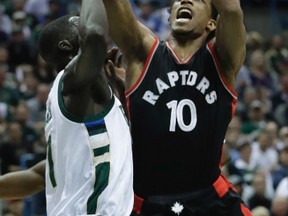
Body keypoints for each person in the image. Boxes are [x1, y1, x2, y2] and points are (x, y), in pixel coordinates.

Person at [101, 0, 250, 215]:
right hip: (148, 201)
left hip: (209, 198)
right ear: (170, 17)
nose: (185, 1)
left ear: (211, 24)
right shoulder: (144, 53)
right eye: (178, 0)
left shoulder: (222, 59)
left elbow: (232, 10)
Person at [20, 0, 132, 215]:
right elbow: (95, 35)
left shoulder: (67, 97)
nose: (86, 21)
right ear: (66, 46)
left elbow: (37, 176)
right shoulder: (74, 83)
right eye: (78, 22)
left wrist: (123, 95)